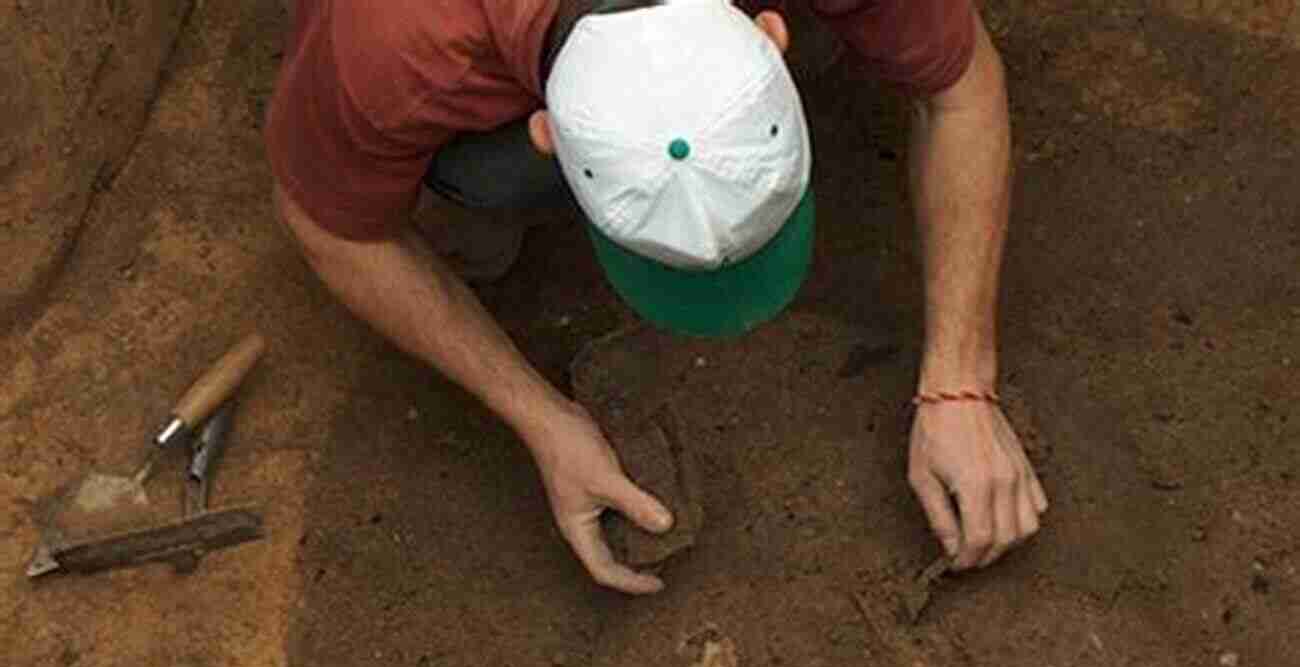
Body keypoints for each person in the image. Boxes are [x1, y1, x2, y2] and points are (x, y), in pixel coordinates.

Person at [266, 0, 1048, 595]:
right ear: (547, 132)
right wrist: (542, 419)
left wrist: (960, 382)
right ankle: (479, 185)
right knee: (478, 178)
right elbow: (332, 226)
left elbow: (961, 84)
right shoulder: (389, 45)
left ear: (769, 32)